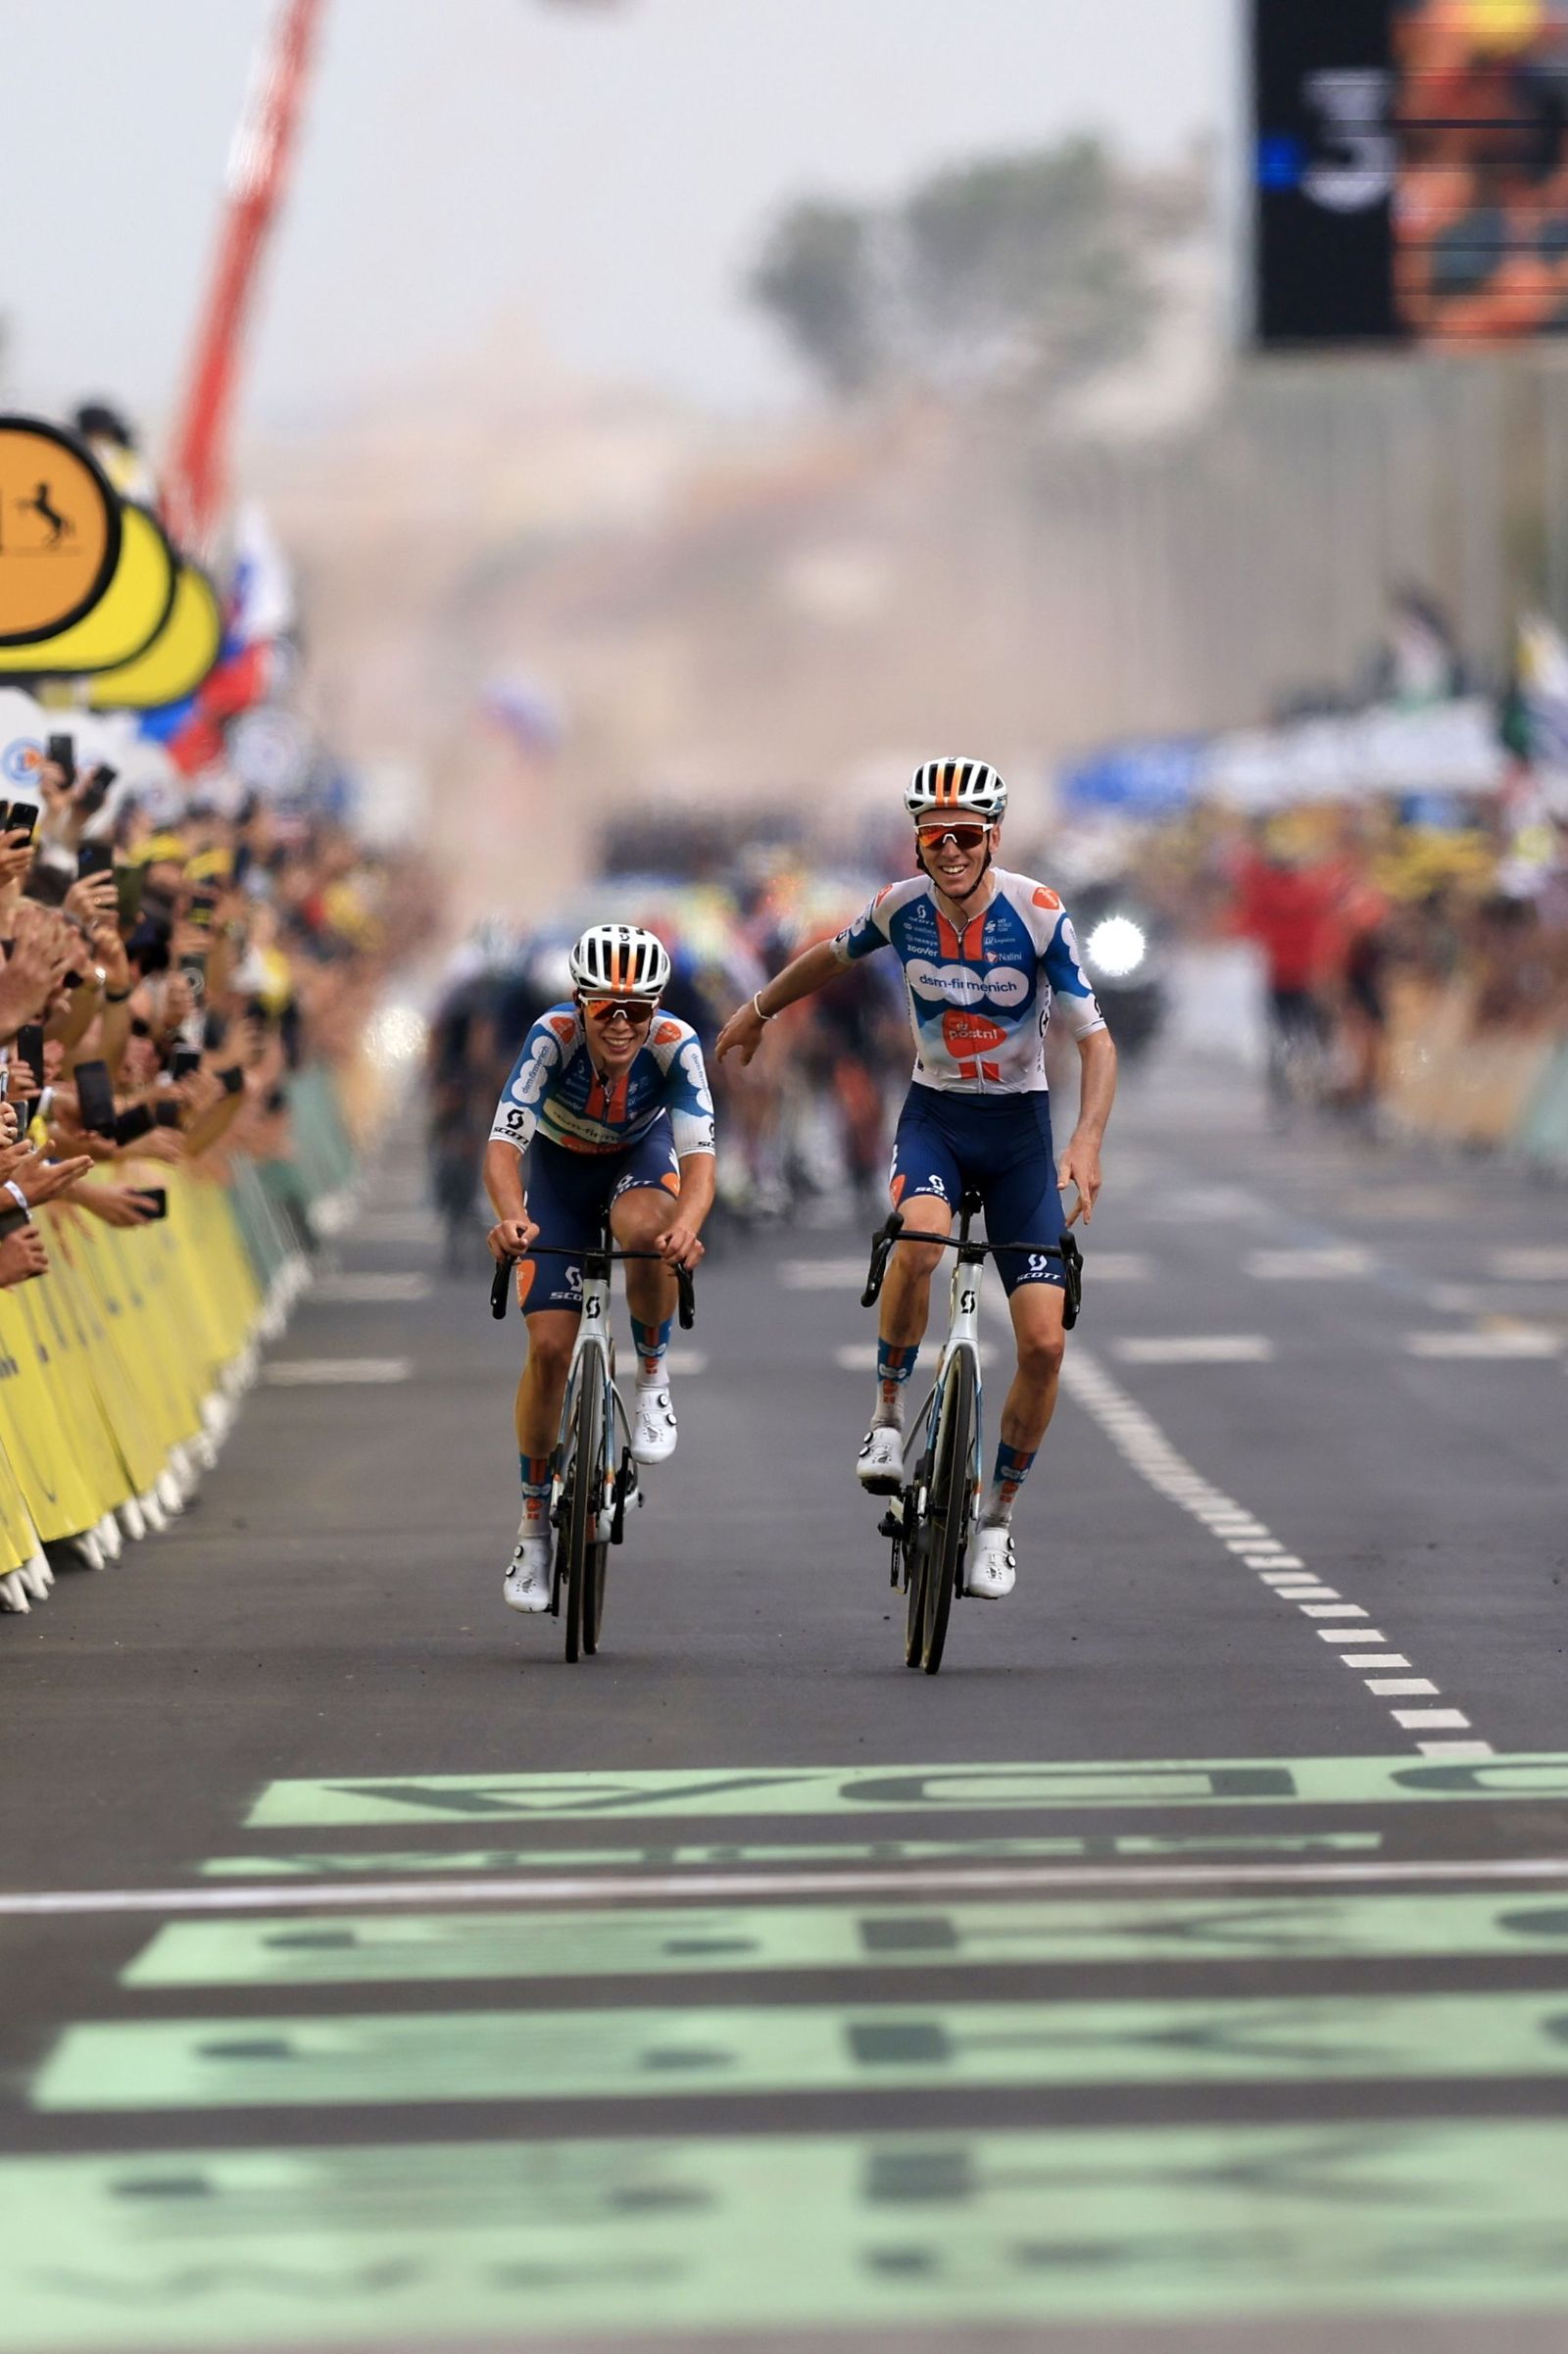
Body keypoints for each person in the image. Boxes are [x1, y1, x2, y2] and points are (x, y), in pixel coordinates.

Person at [715, 760, 1116, 1601]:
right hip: (935, 1120)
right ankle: (889, 1416)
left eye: (969, 836)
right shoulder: (901, 907)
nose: (953, 852)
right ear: (920, 843)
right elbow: (827, 958)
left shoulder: (1039, 914)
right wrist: (756, 1013)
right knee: (923, 1244)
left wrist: (1085, 1138)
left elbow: (1096, 1040)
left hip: (1016, 1136)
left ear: (994, 838)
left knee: (1044, 1342)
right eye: (937, 838)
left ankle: (998, 1520)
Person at [483, 922, 716, 1615]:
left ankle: (651, 1377)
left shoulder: (675, 1046)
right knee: (549, 1350)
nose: (621, 1025)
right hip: (557, 1176)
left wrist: (687, 1228)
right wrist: (510, 1218)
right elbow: (502, 1150)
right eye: (605, 1009)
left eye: (637, 1010)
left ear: (657, 1010)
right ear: (579, 1003)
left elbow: (700, 1163)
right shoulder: (550, 1038)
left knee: (648, 1232)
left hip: (635, 1166)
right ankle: (531, 1528)